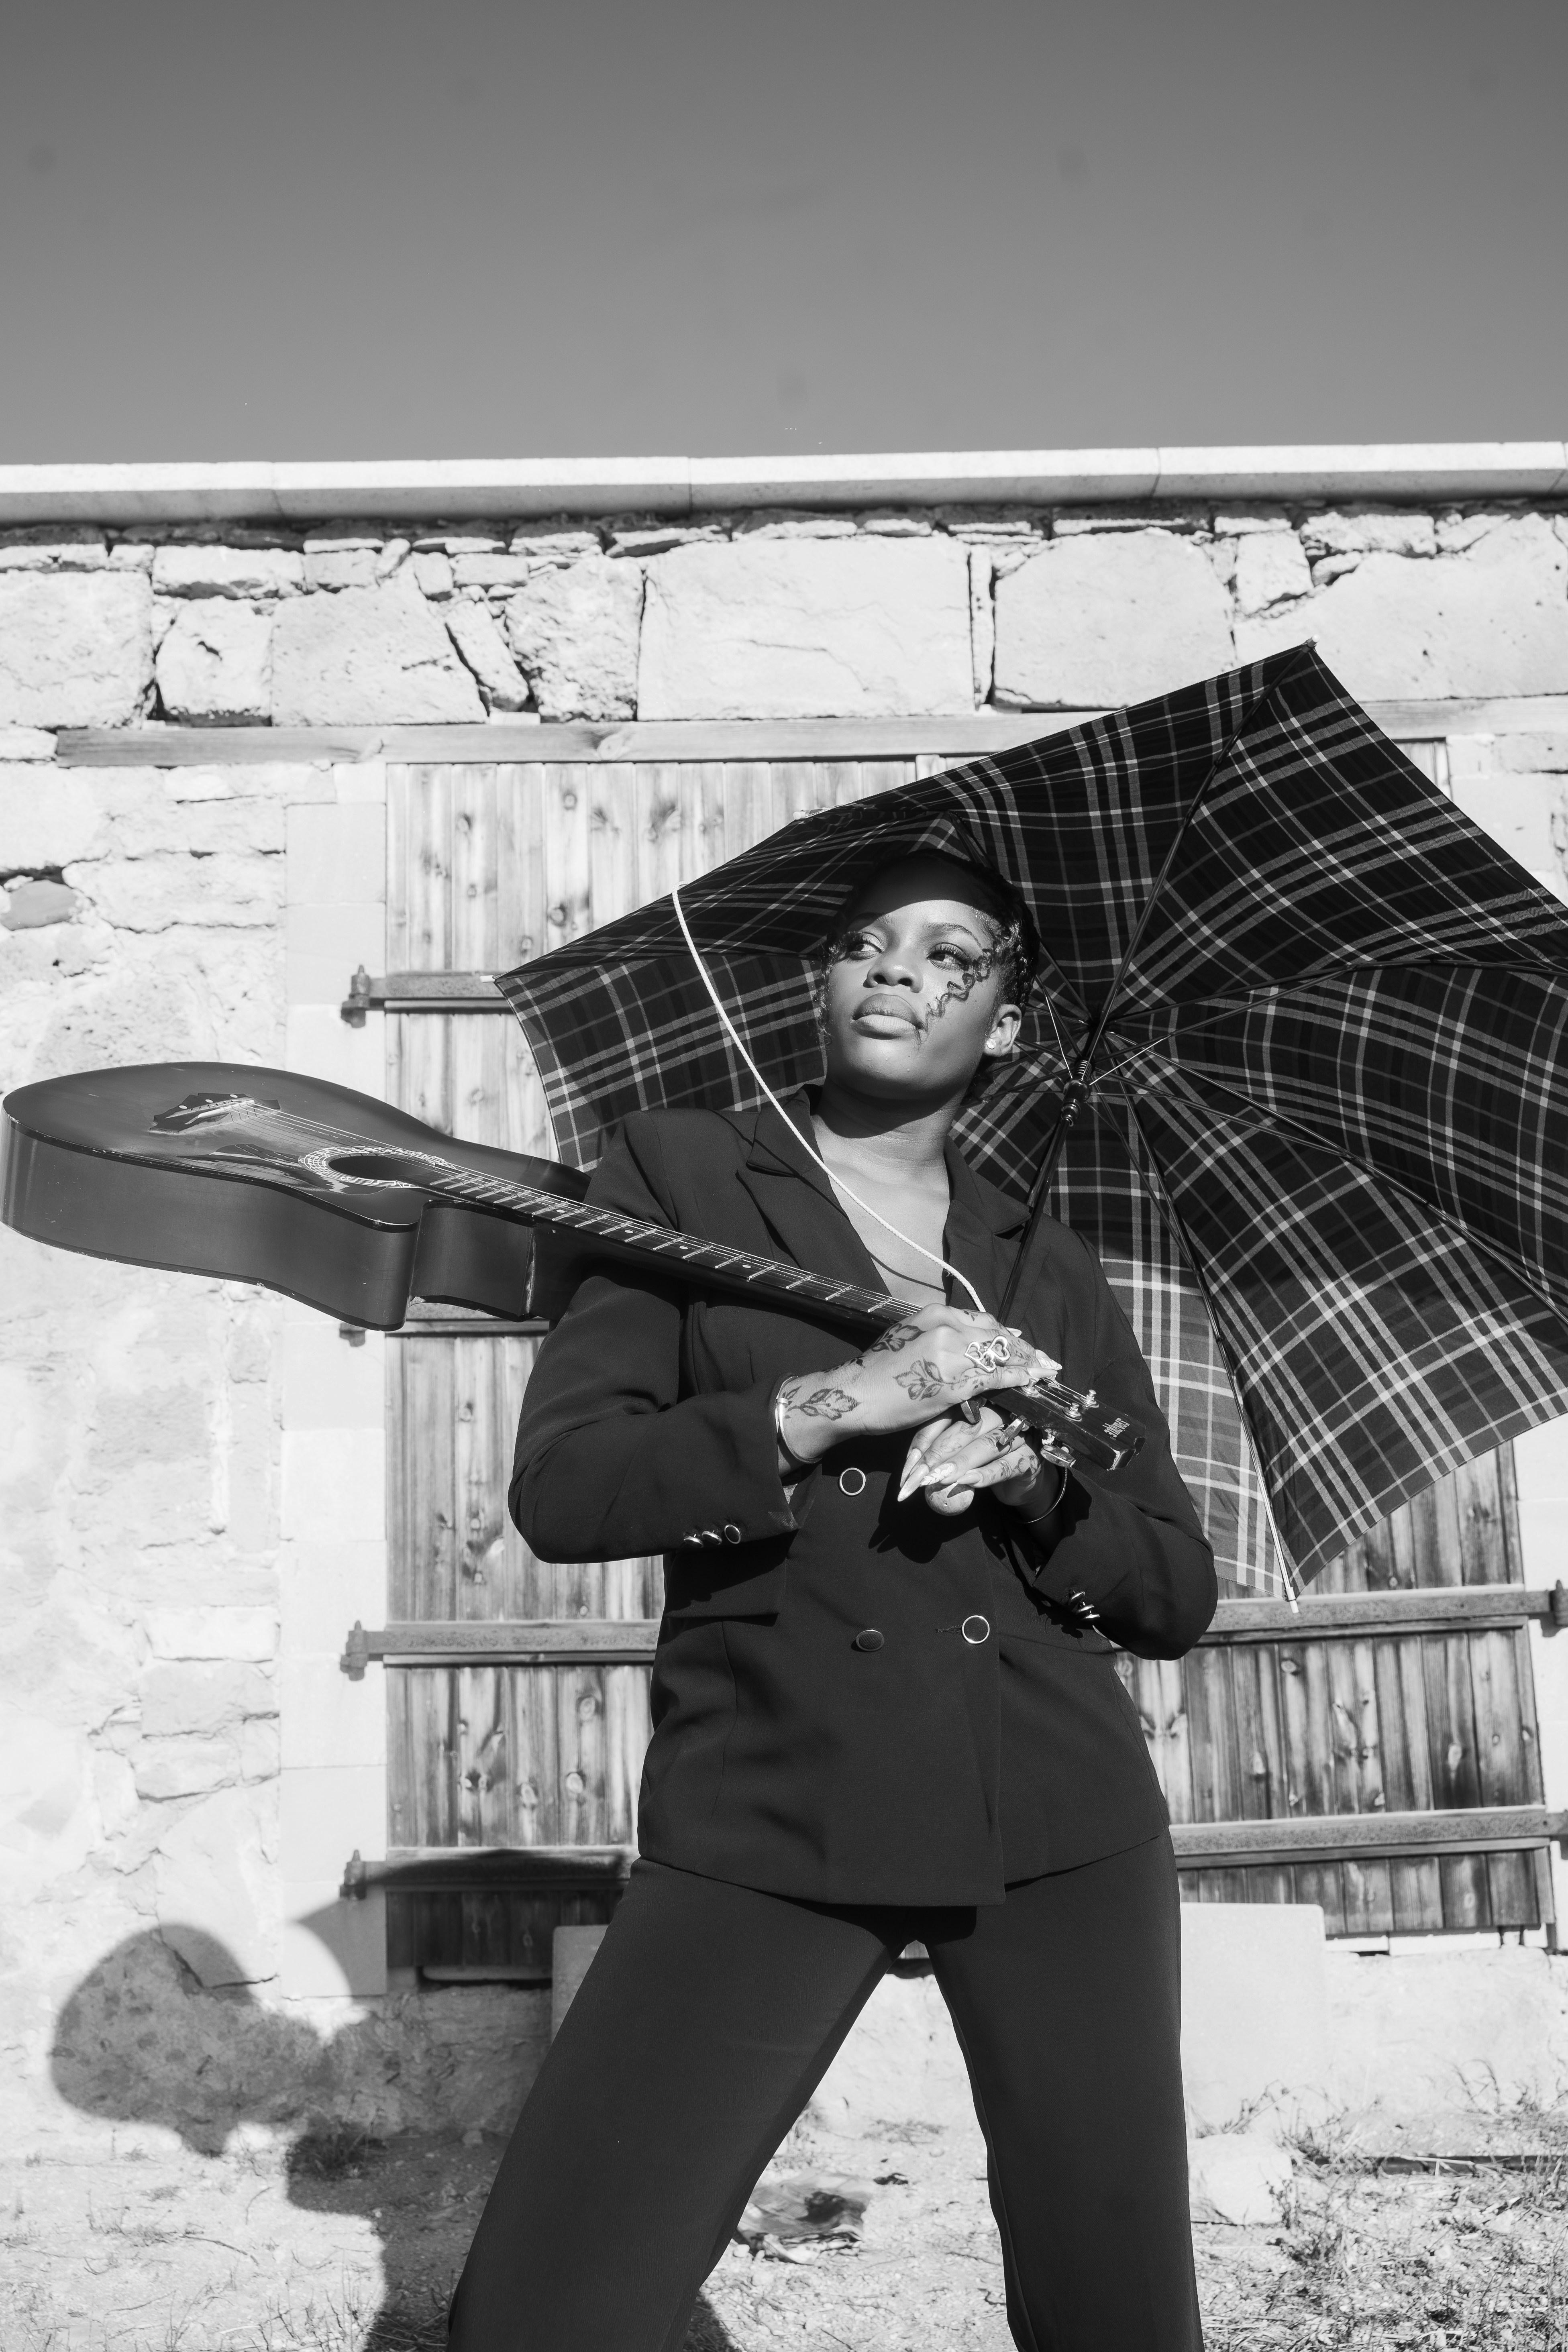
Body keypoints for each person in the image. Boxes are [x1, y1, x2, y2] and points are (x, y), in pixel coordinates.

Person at [447, 852, 1217, 2352]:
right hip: (775, 1796)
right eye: (864, 944)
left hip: (1056, 1811)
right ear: (817, 984)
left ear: (1003, 1021)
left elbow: (1172, 1588)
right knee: (554, 2303)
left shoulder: (1037, 1261)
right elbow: (569, 1489)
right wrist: (842, 1398)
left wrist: (1027, 1486)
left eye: (952, 956)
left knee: (1117, 2301)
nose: (897, 972)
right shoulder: (678, 1174)